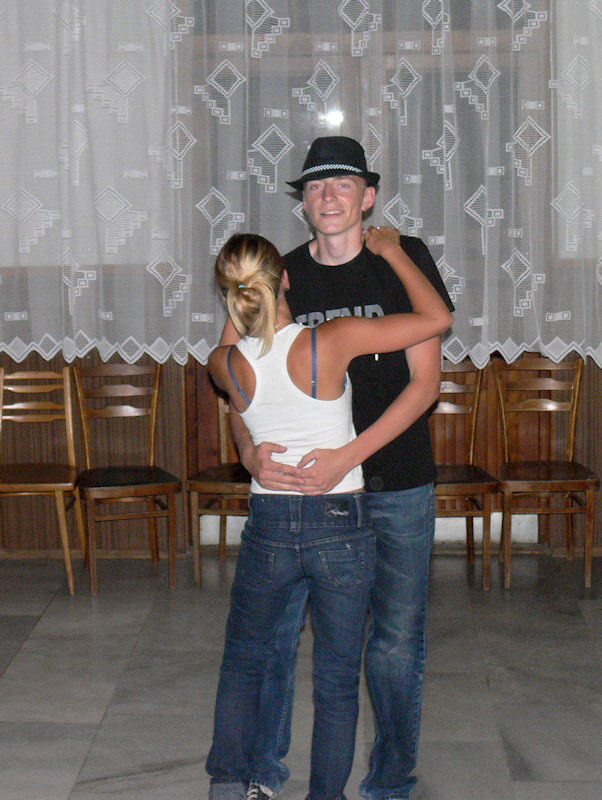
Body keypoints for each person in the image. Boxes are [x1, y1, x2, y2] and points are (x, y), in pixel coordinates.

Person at [221, 137, 455, 800]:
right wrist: (247, 451)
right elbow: (235, 378)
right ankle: (263, 774)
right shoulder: (283, 273)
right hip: (302, 495)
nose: (329, 197)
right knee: (275, 641)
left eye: (343, 184)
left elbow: (425, 384)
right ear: (303, 203)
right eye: (316, 187)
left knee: (393, 646)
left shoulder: (402, 260)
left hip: (396, 482)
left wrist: (348, 457)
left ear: (368, 196)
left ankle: (389, 781)